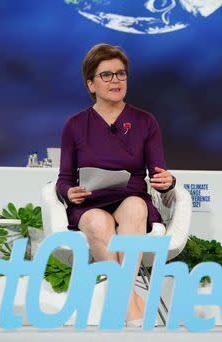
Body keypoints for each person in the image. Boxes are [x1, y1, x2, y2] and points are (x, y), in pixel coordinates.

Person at [56, 43, 176, 326]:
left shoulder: (145, 121)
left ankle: (122, 305)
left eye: (121, 74)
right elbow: (64, 180)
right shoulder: (74, 125)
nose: (116, 81)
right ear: (91, 84)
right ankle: (132, 309)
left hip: (130, 198)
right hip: (90, 204)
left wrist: (168, 181)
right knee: (98, 223)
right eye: (106, 75)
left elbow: (159, 174)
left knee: (135, 207)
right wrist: (69, 192)